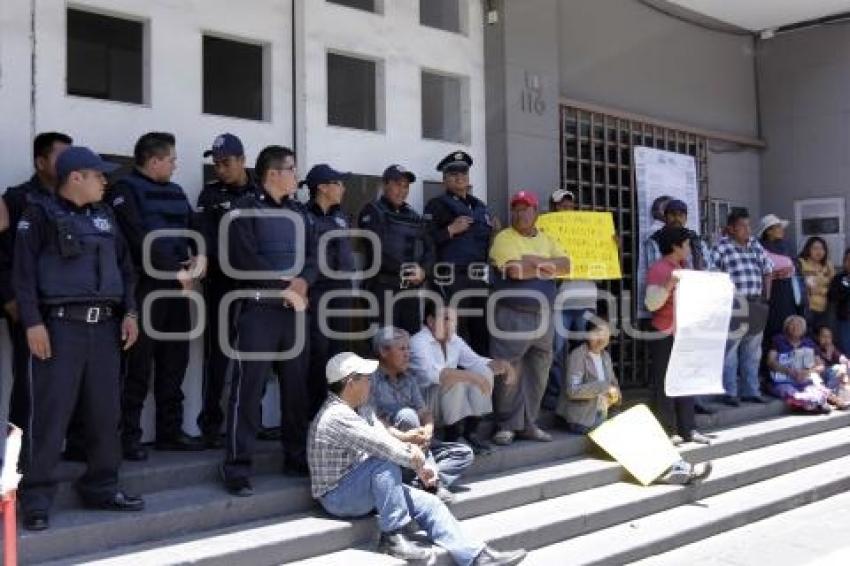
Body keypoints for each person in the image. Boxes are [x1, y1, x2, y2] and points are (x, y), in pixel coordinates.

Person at [14, 146, 144, 531]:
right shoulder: (38, 214)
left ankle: (102, 487)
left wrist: (131, 313)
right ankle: (35, 498)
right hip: (59, 328)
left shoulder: (106, 216)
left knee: (105, 415)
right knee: (50, 417)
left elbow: (126, 269)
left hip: (104, 328)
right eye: (98, 175)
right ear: (76, 178)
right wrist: (32, 324)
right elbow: (21, 276)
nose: (105, 181)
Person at [308, 351, 527, 565]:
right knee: (383, 462)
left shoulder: (361, 408)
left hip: (363, 484)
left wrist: (419, 464)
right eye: (365, 379)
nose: (370, 383)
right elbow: (382, 447)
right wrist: (417, 461)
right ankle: (392, 536)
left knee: (431, 503)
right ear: (350, 383)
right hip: (337, 495)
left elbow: (382, 435)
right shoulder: (337, 416)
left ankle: (476, 557)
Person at [220, 145, 317, 494]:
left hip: (293, 313)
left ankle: (295, 457)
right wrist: (283, 287)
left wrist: (304, 281)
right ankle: (236, 467)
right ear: (273, 173)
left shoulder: (300, 213)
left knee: (296, 392)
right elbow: (243, 260)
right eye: (292, 169)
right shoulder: (243, 210)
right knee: (248, 390)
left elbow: (312, 255)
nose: (296, 175)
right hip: (259, 310)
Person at [108, 132, 206, 460]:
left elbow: (196, 228)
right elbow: (137, 238)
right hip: (146, 287)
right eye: (172, 160)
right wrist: (174, 271)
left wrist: (201, 257)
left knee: (175, 362)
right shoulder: (125, 191)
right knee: (137, 366)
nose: (176, 165)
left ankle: (170, 432)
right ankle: (128, 438)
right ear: (154, 161)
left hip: (179, 289)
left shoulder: (177, 193)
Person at [0, 132, 73, 435]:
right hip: (29, 307)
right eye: (61, 156)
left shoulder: (74, 197)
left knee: (68, 381)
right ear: (40, 161)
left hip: (67, 308)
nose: (69, 163)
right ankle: (19, 460)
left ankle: (63, 452)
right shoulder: (17, 198)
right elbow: (4, 254)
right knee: (28, 385)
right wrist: (10, 298)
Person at [488, 190, 570, 446]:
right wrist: (546, 265)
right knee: (508, 370)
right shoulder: (504, 237)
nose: (521, 213)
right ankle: (506, 425)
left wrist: (533, 262)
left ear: (536, 213)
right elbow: (515, 271)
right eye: (517, 208)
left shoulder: (547, 238)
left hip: (543, 315)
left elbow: (566, 265)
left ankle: (528, 423)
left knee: (539, 372)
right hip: (512, 314)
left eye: (526, 208)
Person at [194, 133, 259, 448]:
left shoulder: (262, 190)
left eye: (226, 162)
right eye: (216, 163)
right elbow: (202, 235)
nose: (220, 168)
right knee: (218, 357)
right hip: (222, 284)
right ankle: (210, 425)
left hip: (258, 286)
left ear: (242, 160)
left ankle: (251, 421)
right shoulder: (210, 195)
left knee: (255, 356)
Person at [370, 326, 474, 503]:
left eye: (408, 349)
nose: (407, 354)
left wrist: (428, 429)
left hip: (417, 445)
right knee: (407, 415)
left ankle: (419, 481)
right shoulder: (370, 379)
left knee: (463, 453)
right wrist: (404, 436)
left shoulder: (408, 378)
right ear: (383, 351)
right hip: (389, 446)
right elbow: (371, 420)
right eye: (402, 349)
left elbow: (424, 412)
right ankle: (432, 485)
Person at [409, 303, 516, 455]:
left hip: (445, 402)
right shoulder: (419, 342)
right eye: (445, 319)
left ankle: (470, 433)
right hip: (423, 405)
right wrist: (472, 377)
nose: (451, 324)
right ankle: (452, 437)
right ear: (431, 321)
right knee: (456, 379)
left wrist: (503, 365)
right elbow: (433, 375)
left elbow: (477, 361)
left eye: (453, 320)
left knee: (483, 372)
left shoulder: (454, 340)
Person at [643, 198, 715, 415]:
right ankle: (668, 425)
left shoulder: (695, 240)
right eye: (672, 213)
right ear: (665, 216)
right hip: (665, 318)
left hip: (690, 319)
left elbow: (708, 268)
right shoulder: (655, 242)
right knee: (666, 375)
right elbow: (653, 274)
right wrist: (671, 283)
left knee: (688, 374)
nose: (677, 217)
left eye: (681, 214)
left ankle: (688, 424)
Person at [424, 151, 499, 356]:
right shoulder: (437, 205)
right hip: (451, 280)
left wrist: (494, 234)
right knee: (453, 336)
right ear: (444, 179)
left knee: (481, 333)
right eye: (453, 173)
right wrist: (449, 230)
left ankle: (482, 384)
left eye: (463, 172)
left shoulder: (480, 207)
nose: (459, 177)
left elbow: (486, 245)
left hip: (479, 279)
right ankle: (456, 383)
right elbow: (425, 240)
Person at [303, 164, 357, 415]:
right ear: (322, 188)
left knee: (338, 357)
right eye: (338, 183)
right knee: (317, 357)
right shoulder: (304, 216)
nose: (343, 188)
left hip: (341, 295)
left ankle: (335, 417)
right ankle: (313, 416)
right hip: (317, 294)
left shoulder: (342, 216)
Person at [358, 164, 434, 334]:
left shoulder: (414, 215)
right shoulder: (372, 211)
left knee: (411, 343)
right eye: (398, 184)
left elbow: (429, 248)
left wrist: (423, 271)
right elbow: (375, 252)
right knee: (384, 345)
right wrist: (408, 271)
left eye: (406, 186)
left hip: (410, 291)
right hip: (383, 289)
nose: (403, 190)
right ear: (386, 185)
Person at [710, 209, 774, 406]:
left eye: (748, 225)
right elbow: (712, 274)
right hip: (733, 305)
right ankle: (730, 392)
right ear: (731, 228)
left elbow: (768, 269)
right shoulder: (721, 247)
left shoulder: (754, 244)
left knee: (753, 351)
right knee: (730, 351)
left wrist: (766, 297)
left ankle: (751, 390)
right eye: (742, 226)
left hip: (755, 302)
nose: (747, 230)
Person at [543, 189, 598, 411]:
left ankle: (583, 394)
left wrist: (613, 248)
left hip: (586, 300)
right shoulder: (545, 233)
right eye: (561, 205)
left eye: (569, 205)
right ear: (553, 208)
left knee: (585, 350)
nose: (566, 208)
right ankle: (555, 394)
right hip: (561, 302)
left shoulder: (587, 232)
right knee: (554, 350)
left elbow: (605, 265)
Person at [765, 316, 848, 413]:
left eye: (799, 325)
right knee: (789, 392)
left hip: (804, 380)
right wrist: (788, 371)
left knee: (818, 389)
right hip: (783, 380)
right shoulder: (778, 340)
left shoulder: (808, 343)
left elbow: (821, 365)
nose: (796, 327)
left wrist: (807, 372)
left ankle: (827, 402)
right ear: (786, 327)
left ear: (804, 329)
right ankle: (813, 405)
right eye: (793, 325)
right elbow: (770, 361)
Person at [555, 320, 620, 434]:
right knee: (614, 432)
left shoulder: (606, 356)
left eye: (605, 335)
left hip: (603, 411)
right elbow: (573, 391)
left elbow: (613, 383)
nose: (601, 339)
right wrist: (601, 387)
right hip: (583, 418)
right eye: (597, 334)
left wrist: (615, 395)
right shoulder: (578, 356)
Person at [758, 214, 806, 350]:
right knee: (772, 325)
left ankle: (787, 360)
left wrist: (794, 269)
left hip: (789, 291)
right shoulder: (759, 248)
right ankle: (769, 363)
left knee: (789, 325)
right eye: (778, 227)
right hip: (772, 292)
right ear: (768, 231)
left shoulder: (787, 246)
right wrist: (775, 274)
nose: (782, 230)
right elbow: (759, 270)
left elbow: (796, 265)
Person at [799, 236, 835, 332]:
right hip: (806, 308)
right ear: (808, 249)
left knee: (821, 334)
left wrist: (821, 289)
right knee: (807, 333)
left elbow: (834, 285)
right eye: (815, 248)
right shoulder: (801, 263)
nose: (819, 251)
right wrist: (822, 285)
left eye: (822, 248)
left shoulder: (828, 265)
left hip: (824, 308)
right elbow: (800, 285)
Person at [814, 325, 850, 397]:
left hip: (831, 376)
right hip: (819, 375)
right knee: (838, 368)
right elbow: (819, 366)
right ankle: (828, 394)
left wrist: (847, 362)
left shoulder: (831, 347)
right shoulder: (815, 348)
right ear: (817, 337)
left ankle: (832, 393)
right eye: (824, 336)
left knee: (845, 366)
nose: (827, 339)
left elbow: (840, 357)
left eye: (829, 337)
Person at [828, 248, 850, 356]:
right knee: (846, 349)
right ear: (844, 262)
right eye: (848, 260)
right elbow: (832, 297)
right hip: (845, 320)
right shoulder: (838, 278)